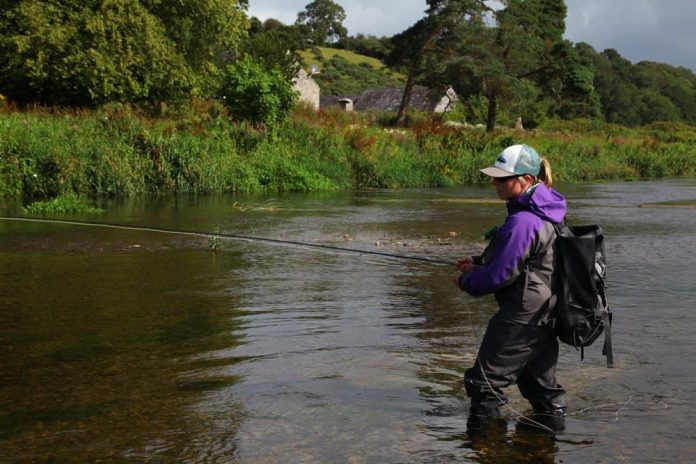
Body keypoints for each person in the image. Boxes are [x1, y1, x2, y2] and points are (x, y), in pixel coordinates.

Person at [454, 144, 567, 432]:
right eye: (494, 177)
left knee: (484, 384)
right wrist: (479, 260)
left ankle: (485, 447)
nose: (495, 183)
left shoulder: (524, 220)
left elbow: (499, 276)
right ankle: (547, 445)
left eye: (502, 178)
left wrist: (465, 281)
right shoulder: (545, 211)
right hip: (545, 313)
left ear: (526, 180)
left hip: (524, 315)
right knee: (540, 388)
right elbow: (529, 259)